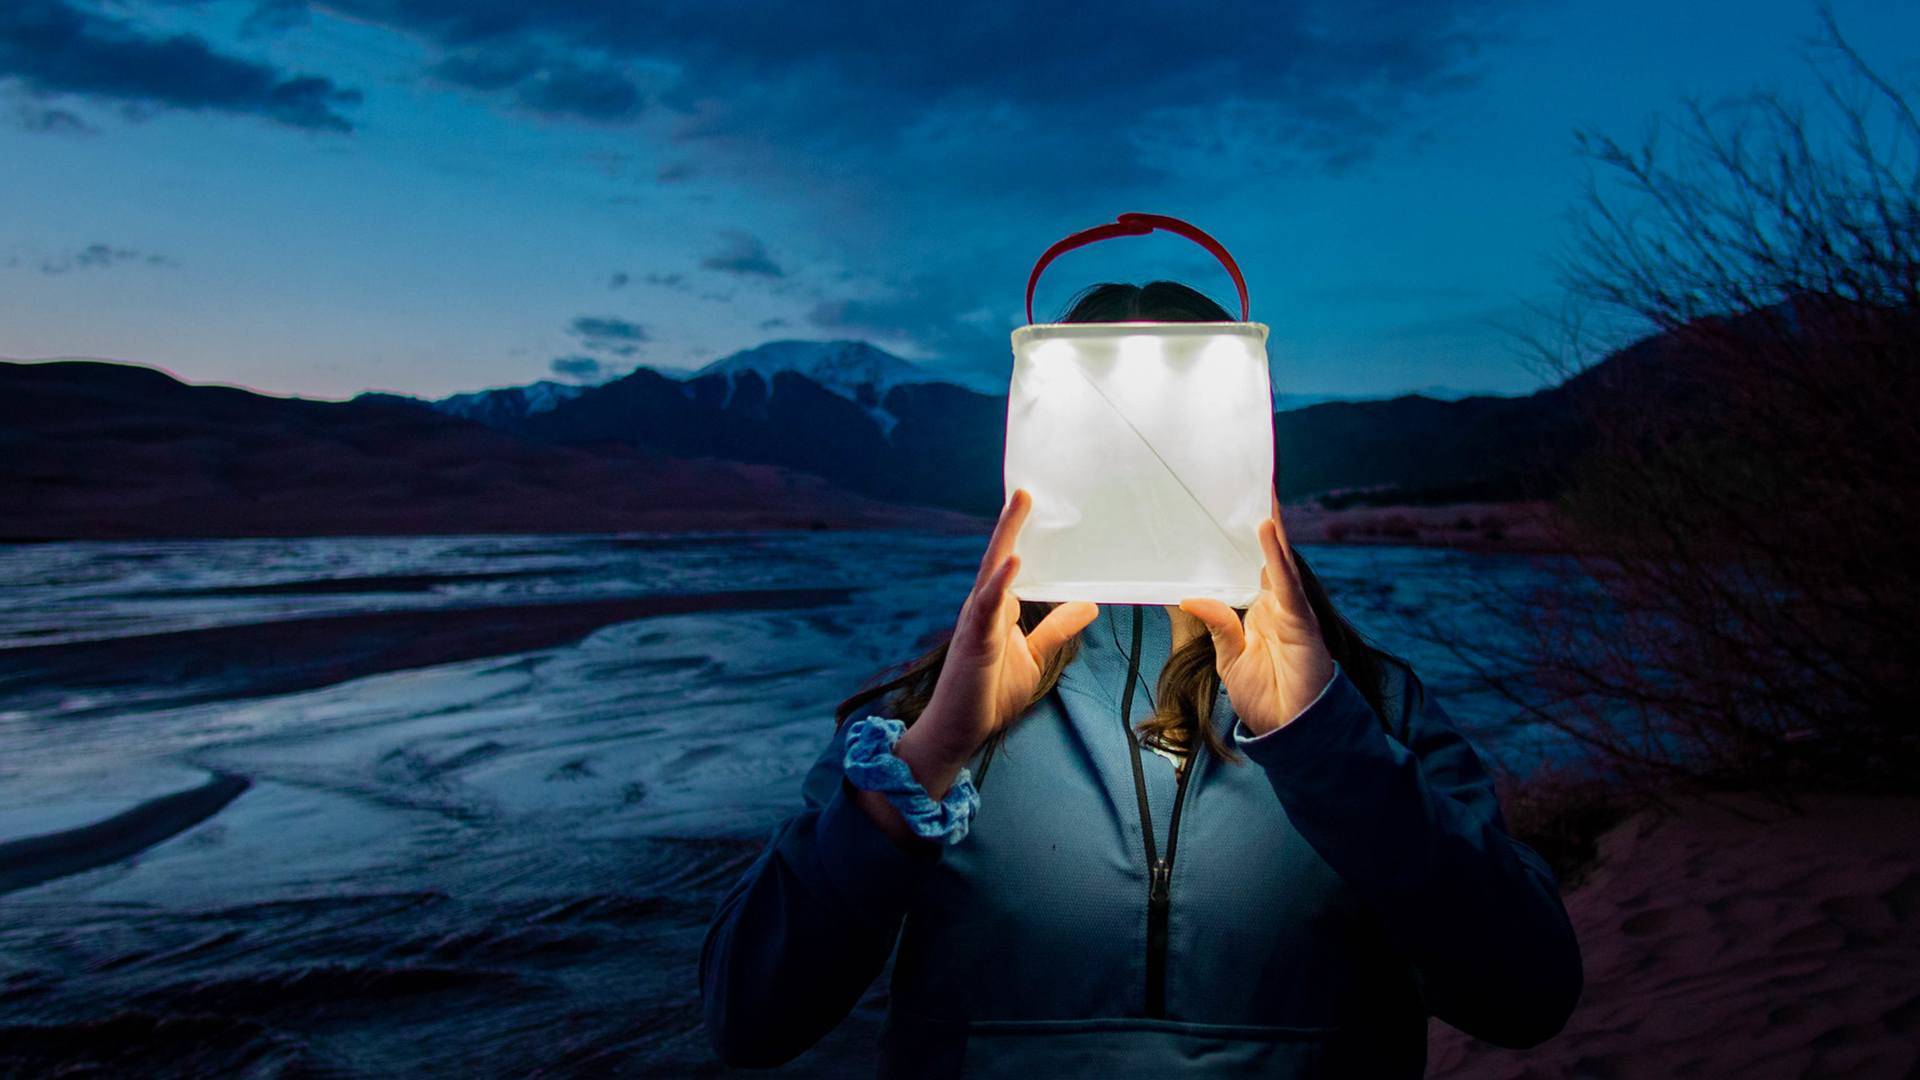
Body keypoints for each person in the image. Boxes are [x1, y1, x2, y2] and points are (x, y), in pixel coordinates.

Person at [699, 282, 1583, 1077]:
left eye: (1176, 428)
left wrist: (1326, 745)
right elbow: (746, 1021)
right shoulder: (917, 727)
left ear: (1242, 439)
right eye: (1106, 426)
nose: (1142, 461)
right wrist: (926, 763)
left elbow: (1527, 997)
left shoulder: (1368, 709)